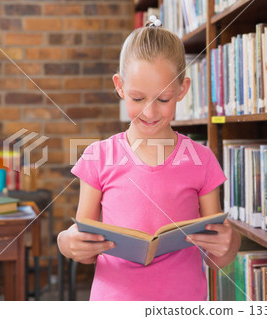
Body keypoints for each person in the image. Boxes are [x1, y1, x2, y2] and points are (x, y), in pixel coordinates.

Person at [57, 20, 240, 301]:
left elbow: (215, 255)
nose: (150, 112)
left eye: (164, 99)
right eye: (138, 98)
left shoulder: (202, 160)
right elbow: (85, 248)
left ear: (182, 89)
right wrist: (67, 243)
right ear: (119, 86)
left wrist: (231, 242)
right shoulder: (98, 157)